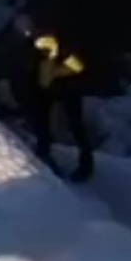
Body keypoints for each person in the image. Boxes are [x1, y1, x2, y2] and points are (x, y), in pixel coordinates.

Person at [25, 29, 94, 183]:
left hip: (68, 90)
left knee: (75, 125)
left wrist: (56, 72)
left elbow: (78, 66)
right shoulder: (37, 52)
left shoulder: (64, 50)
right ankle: (43, 151)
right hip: (47, 89)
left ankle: (86, 164)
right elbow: (36, 72)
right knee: (41, 118)